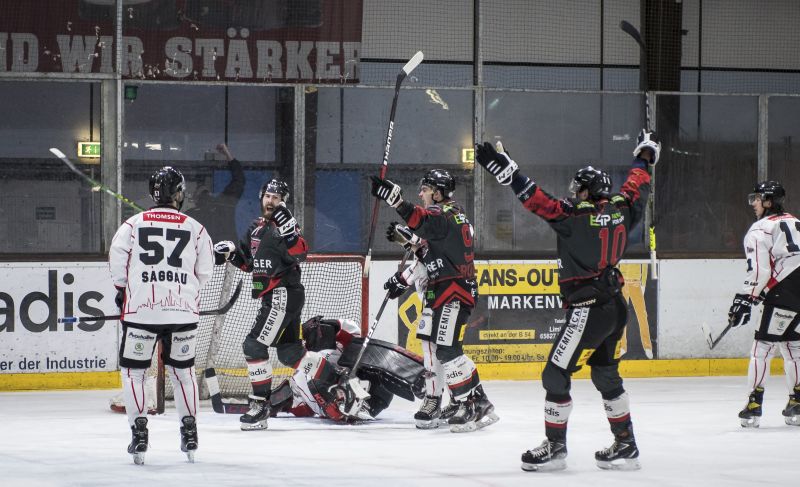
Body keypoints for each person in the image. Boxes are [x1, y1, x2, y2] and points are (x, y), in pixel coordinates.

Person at [475, 131, 657, 471]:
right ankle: (626, 443)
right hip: (616, 306)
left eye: (578, 188)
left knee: (555, 375)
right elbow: (637, 184)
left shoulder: (574, 216)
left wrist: (510, 173)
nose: (575, 193)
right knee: (605, 374)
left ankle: (555, 446)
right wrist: (644, 156)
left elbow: (537, 200)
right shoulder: (622, 209)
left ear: (587, 191)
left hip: (587, 308)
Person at [213, 179, 368, 430]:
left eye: (277, 197)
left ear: (283, 201)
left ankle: (259, 405)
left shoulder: (285, 225)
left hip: (282, 295)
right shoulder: (255, 228)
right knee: (289, 353)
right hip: (274, 296)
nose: (271, 201)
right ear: (261, 197)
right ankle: (341, 380)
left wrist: (288, 226)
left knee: (253, 345)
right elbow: (249, 264)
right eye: (268, 196)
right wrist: (230, 254)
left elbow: (300, 252)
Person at [371, 169, 498, 433]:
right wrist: (411, 244)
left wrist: (397, 201)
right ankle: (456, 400)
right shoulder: (454, 215)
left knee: (447, 350)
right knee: (438, 347)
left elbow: (424, 221)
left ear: (438, 193)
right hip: (444, 290)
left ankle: (475, 401)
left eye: (425, 189)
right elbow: (431, 251)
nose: (421, 193)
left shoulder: (442, 214)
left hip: (452, 291)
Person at [109, 166, 214, 465]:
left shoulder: (132, 224)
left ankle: (139, 432)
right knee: (183, 372)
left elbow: (117, 264)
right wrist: (181, 289)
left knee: (134, 373)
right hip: (182, 313)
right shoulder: (195, 227)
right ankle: (190, 431)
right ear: (178, 193)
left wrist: (122, 290)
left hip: (142, 312)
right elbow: (204, 272)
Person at [728, 181, 800, 428]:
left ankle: (754, 405)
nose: (753, 204)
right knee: (794, 348)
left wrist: (746, 297)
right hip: (794, 291)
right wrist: (758, 295)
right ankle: (798, 403)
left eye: (757, 199)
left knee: (762, 349)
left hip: (785, 293)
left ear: (769, 201)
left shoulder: (760, 229)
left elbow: (760, 270)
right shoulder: (794, 221)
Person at [274, 315, 426, 421]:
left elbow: (355, 334)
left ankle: (420, 379)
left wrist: (333, 326)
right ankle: (344, 399)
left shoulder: (329, 348)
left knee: (366, 355)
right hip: (351, 405)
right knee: (319, 383)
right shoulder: (299, 382)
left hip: (356, 388)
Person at [186, 143, 245, 242]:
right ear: (209, 194)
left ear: (195, 199)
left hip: (206, 255)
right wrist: (227, 154)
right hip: (229, 253)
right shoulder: (225, 203)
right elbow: (239, 180)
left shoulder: (191, 216)